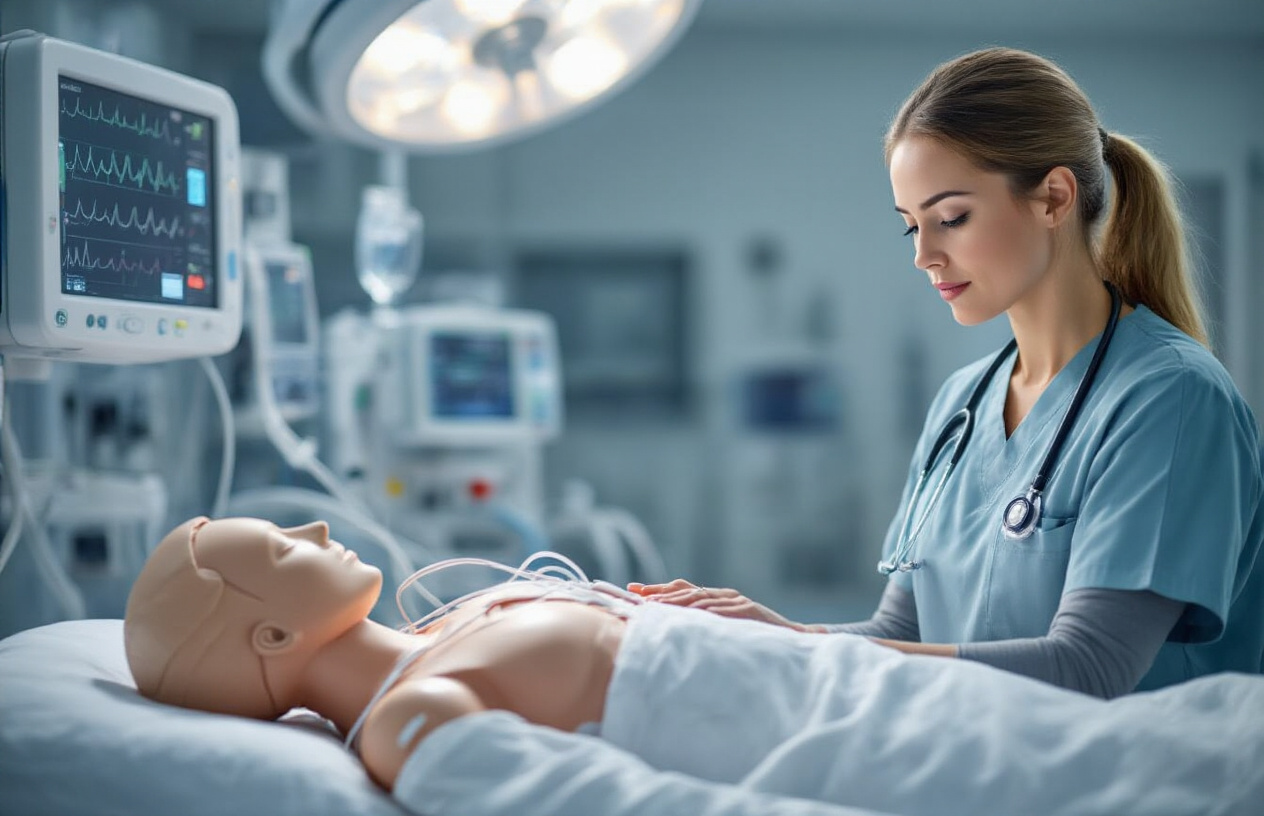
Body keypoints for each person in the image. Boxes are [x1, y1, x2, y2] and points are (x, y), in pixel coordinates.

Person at [631, 46, 1264, 698]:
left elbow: (1091, 667)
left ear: (1053, 198)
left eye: (952, 218)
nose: (925, 256)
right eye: (911, 228)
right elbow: (899, 629)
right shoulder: (962, 405)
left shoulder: (1172, 398)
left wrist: (804, 651)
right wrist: (775, 635)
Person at [123, 514, 1264, 816]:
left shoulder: (464, 618)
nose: (318, 533)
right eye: (280, 551)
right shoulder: (414, 720)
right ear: (267, 639)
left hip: (908, 697)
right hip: (899, 762)